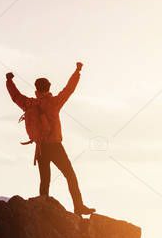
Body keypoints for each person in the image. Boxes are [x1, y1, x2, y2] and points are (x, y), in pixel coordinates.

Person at [6, 62, 95, 216]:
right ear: (49, 88)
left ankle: (42, 211)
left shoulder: (29, 104)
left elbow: (15, 96)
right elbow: (69, 89)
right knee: (70, 176)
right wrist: (77, 71)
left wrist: (9, 81)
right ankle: (78, 206)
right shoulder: (54, 103)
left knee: (45, 180)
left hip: (40, 148)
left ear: (36, 89)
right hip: (55, 146)